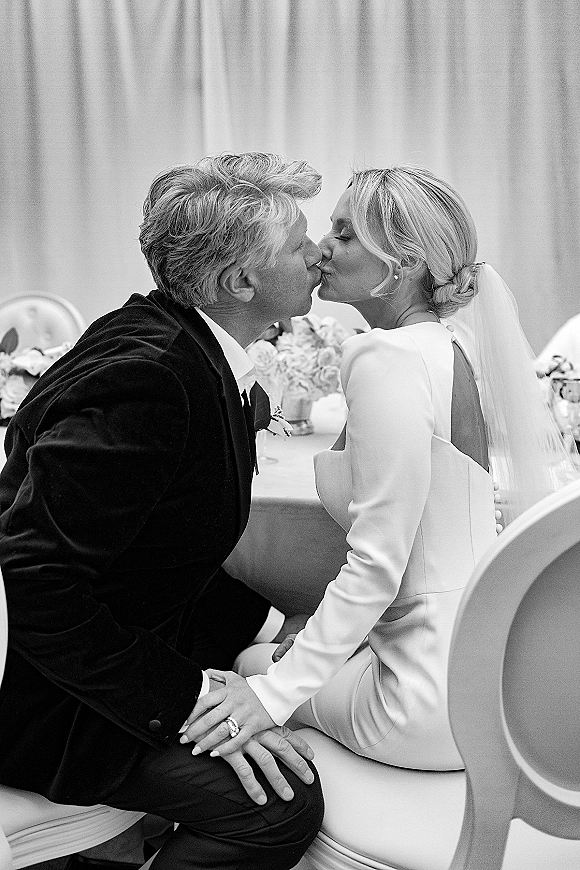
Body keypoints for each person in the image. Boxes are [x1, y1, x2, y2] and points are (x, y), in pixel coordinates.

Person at [183, 165, 572, 772]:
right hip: (487, 677)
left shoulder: (385, 356)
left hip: (423, 698)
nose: (320, 250)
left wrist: (271, 693)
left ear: (407, 261)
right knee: (294, 642)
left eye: (343, 233)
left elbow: (379, 563)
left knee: (250, 664)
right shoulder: (451, 346)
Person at [0, 152, 325, 870]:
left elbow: (156, 551)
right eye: (299, 240)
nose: (318, 251)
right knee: (278, 808)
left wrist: (273, 626)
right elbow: (34, 583)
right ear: (240, 281)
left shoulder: (176, 340)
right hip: (46, 701)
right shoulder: (149, 379)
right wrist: (186, 701)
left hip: (109, 652)